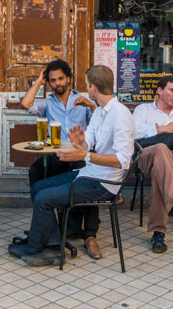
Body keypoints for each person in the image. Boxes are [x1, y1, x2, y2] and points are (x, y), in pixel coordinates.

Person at [13, 65, 133, 267]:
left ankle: (36, 250)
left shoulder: (120, 114)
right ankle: (51, 241)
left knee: (43, 198)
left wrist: (84, 153)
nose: (85, 88)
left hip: (103, 183)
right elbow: (88, 145)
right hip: (88, 173)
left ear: (93, 87)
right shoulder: (100, 112)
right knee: (38, 186)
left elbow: (123, 161)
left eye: (87, 84)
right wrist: (79, 143)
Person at [130, 74, 173, 254]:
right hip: (144, 156)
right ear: (159, 90)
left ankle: (159, 232)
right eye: (172, 90)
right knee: (160, 149)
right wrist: (163, 129)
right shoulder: (143, 109)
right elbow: (132, 134)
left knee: (161, 166)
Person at [18, 58, 95, 186]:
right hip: (56, 154)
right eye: (53, 80)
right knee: (35, 171)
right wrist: (38, 82)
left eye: (61, 78)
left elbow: (98, 123)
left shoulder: (83, 100)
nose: (57, 83)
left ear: (68, 79)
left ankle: (67, 203)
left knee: (81, 176)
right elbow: (26, 104)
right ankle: (44, 205)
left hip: (79, 153)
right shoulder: (48, 103)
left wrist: (91, 106)